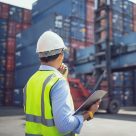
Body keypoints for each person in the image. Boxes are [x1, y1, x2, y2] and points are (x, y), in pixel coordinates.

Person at [23, 31, 100, 136]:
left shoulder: (31, 81)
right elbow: (64, 126)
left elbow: (42, 109)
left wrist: (62, 77)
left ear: (40, 56)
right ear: (60, 56)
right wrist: (89, 113)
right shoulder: (58, 82)